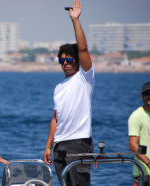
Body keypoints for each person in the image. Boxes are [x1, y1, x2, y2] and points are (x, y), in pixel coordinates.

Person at [43, 0, 95, 185]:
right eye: (61, 60)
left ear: (77, 61)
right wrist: (49, 146)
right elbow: (55, 119)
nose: (65, 63)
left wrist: (75, 20)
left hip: (79, 143)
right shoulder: (59, 88)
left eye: (69, 59)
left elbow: (83, 48)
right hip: (59, 144)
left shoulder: (84, 78)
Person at [128, 82, 150, 186]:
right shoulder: (136, 116)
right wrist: (148, 163)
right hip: (143, 173)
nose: (149, 96)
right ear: (142, 96)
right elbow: (133, 146)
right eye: (146, 93)